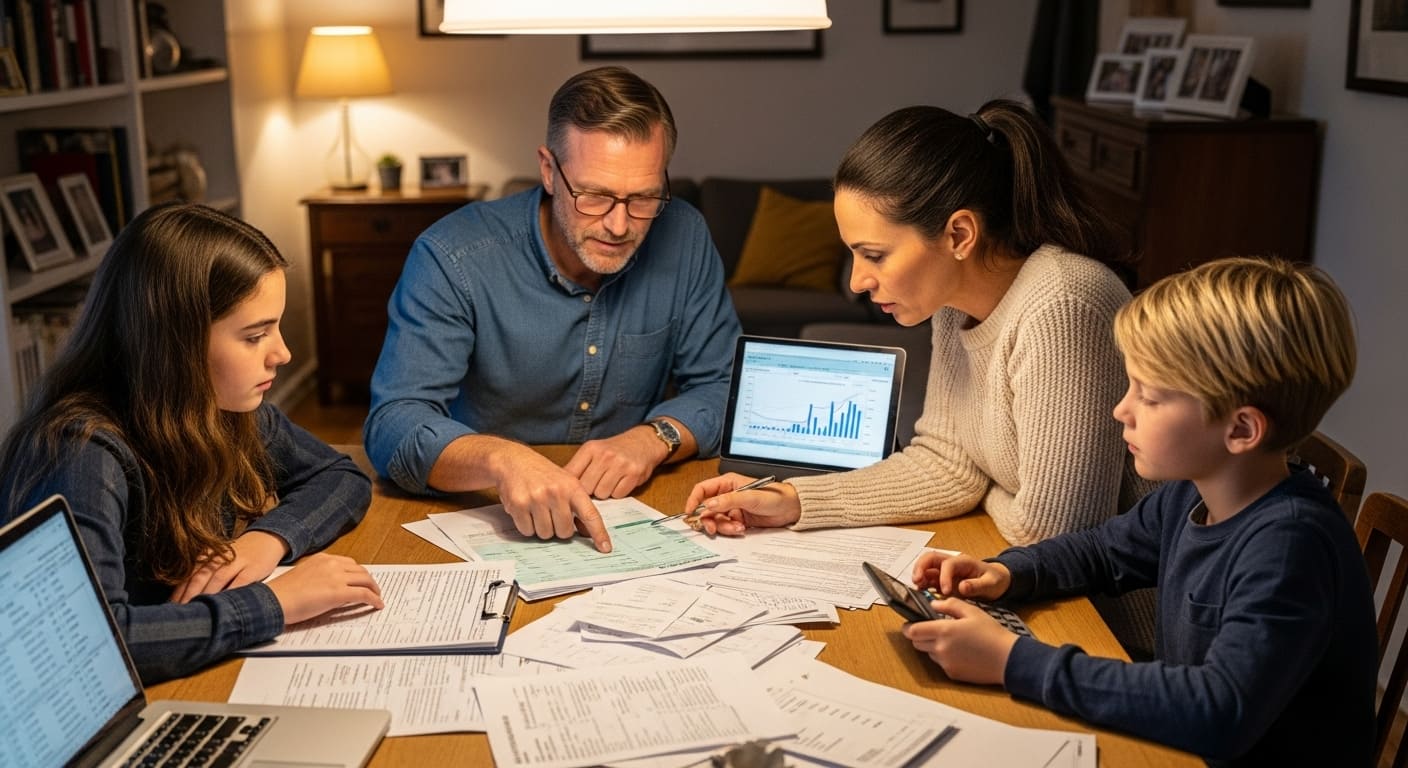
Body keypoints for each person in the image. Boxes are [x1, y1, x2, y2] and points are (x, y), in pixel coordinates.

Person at [686, 100, 1155, 649]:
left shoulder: (1062, 304)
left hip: (1115, 634)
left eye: (875, 255)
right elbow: (948, 463)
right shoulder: (955, 302)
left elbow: (1053, 535)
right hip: (1039, 605)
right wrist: (794, 500)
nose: (857, 281)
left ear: (959, 235)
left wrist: (985, 488)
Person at [901, 257, 1375, 765]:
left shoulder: (1288, 548)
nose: (1120, 410)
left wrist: (1011, 660)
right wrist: (1005, 572)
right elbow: (1102, 551)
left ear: (1240, 431)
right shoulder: (1194, 493)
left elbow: (1217, 711)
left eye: (1148, 397)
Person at [0, 203, 383, 683]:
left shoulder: (222, 409)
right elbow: (89, 642)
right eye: (255, 335)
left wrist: (266, 541)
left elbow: (339, 476)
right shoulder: (83, 454)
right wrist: (275, 604)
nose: (282, 353)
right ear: (174, 343)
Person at [364, 66, 740, 554]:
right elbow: (394, 422)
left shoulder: (684, 235)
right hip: (482, 516)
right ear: (548, 170)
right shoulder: (452, 255)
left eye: (644, 197)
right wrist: (501, 460)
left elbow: (725, 384)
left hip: (630, 516)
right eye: (595, 196)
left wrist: (655, 437)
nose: (619, 225)